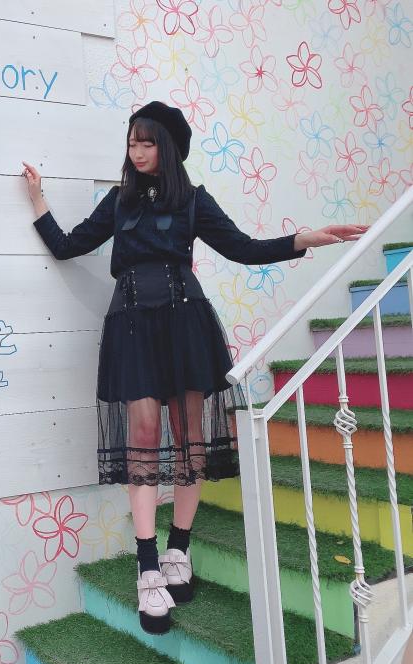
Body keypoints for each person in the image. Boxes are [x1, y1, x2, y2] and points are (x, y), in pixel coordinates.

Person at [22, 101, 368, 635]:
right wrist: (38, 199)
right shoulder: (118, 202)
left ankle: (178, 548)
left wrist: (303, 239)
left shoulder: (193, 200)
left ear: (167, 146)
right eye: (132, 143)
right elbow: (69, 246)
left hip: (185, 323)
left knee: (189, 436)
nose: (136, 152)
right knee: (142, 435)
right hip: (132, 324)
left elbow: (242, 248)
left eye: (147, 142)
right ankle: (147, 567)